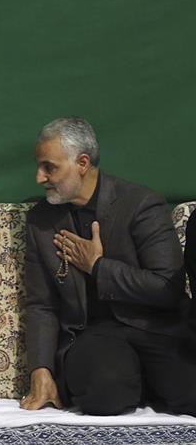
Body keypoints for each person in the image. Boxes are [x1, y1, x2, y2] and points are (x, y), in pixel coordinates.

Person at [19, 116, 196, 416]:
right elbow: (41, 304)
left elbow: (167, 287)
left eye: (49, 167)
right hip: (93, 335)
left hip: (156, 328)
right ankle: (136, 383)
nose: (39, 177)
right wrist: (41, 369)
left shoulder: (141, 204)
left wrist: (98, 267)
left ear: (82, 163)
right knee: (106, 394)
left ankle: (147, 382)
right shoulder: (41, 221)